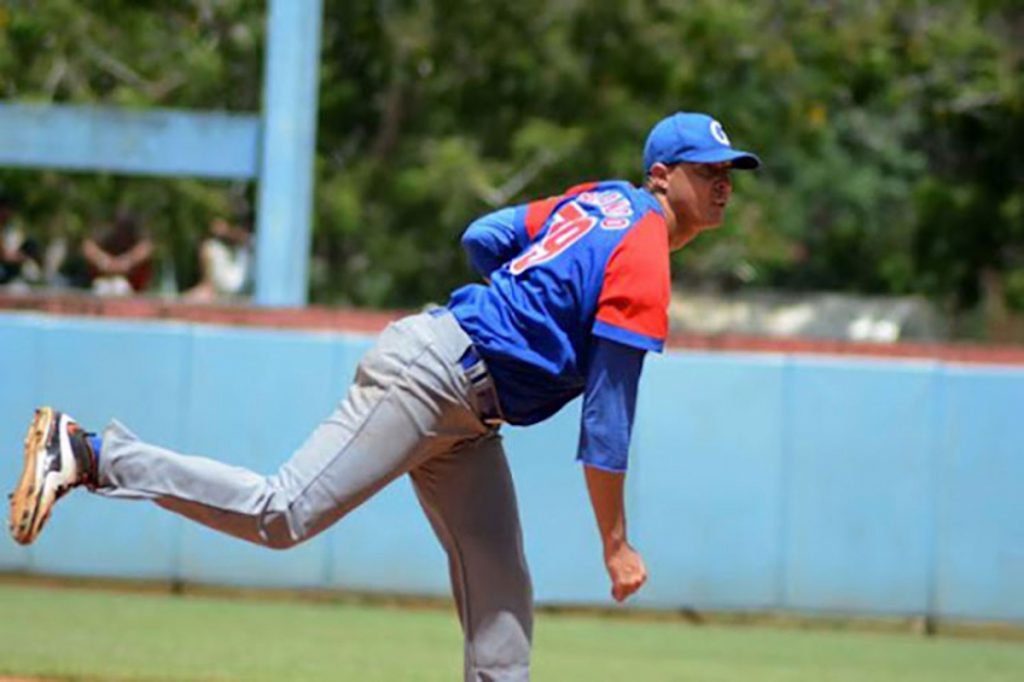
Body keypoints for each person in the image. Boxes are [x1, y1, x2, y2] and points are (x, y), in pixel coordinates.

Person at [8, 112, 760, 681]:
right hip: (435, 378)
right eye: (706, 167)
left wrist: (528, 292)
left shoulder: (598, 203)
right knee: (283, 513)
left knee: (500, 583)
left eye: (730, 170)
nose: (723, 181)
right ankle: (93, 455)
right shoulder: (644, 254)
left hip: (466, 406)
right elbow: (608, 416)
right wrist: (616, 544)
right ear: (662, 174)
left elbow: (485, 233)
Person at [81, 211, 155, 296]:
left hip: (133, 289)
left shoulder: (138, 232)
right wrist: (105, 262)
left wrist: (125, 262)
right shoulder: (106, 232)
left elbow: (146, 247)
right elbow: (88, 246)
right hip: (103, 284)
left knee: (120, 287)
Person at [183, 217, 253, 303]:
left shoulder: (250, 239)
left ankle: (207, 287)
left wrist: (226, 230)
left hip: (235, 285)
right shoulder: (218, 247)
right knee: (208, 247)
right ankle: (207, 286)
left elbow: (243, 238)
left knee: (208, 247)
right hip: (228, 286)